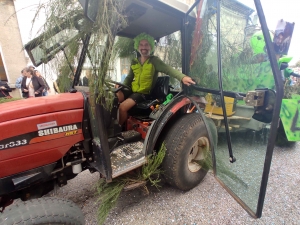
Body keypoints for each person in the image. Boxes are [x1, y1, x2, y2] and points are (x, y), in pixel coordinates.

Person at [116, 32, 195, 125]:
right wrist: (120, 87)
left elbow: (168, 69)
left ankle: (118, 131)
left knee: (122, 108)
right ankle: (110, 124)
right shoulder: (134, 61)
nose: (143, 47)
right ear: (137, 46)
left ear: (151, 47)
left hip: (143, 94)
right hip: (132, 90)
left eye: (146, 44)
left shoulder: (154, 61)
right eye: (141, 44)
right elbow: (129, 78)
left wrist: (182, 77)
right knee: (114, 97)